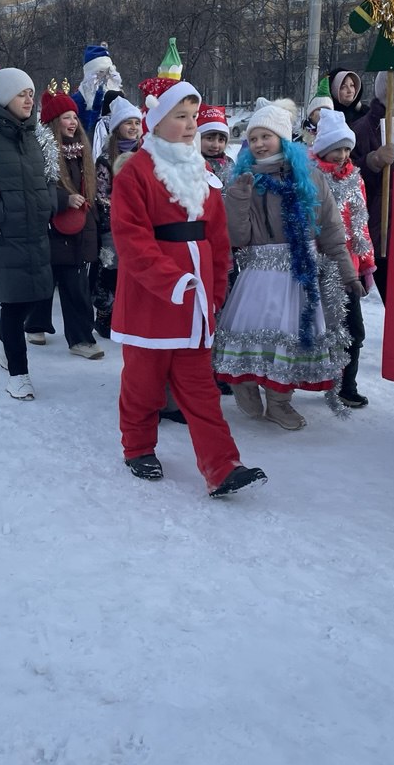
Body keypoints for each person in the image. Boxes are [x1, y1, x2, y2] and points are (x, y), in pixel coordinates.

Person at [109, 76, 266, 497]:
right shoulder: (136, 173)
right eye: (181, 116)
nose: (192, 124)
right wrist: (172, 281)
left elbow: (217, 238)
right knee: (143, 384)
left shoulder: (203, 173)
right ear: (157, 121)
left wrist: (214, 293)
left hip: (195, 306)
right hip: (150, 301)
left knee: (200, 389)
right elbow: (131, 239)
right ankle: (138, 447)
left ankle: (222, 465)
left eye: (194, 115)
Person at [213, 100, 357, 430]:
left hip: (301, 274)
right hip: (260, 274)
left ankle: (279, 401)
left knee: (293, 338)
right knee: (254, 333)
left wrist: (346, 272)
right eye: (253, 138)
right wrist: (238, 198)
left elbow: (331, 229)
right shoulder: (245, 180)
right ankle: (245, 382)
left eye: (266, 136)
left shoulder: (311, 177)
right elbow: (237, 237)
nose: (259, 144)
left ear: (282, 138)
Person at [0, 68, 68, 401]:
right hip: (3, 234)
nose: (29, 100)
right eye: (22, 94)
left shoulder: (36, 135)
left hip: (36, 231)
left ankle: (1, 335)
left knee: (36, 296)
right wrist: (0, 211)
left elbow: (50, 176)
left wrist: (48, 204)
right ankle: (19, 376)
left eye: (31, 93)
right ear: (5, 97)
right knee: (14, 301)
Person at [25, 87, 104, 359]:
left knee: (75, 285)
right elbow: (35, 188)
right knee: (46, 281)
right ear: (53, 123)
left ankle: (81, 338)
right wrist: (63, 199)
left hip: (78, 228)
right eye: (66, 117)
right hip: (51, 228)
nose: (72, 122)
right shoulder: (40, 152)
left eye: (74, 117)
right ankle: (35, 324)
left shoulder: (82, 151)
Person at [310, 109, 375, 408]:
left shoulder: (355, 179)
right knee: (320, 329)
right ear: (323, 148)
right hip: (321, 266)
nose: (343, 155)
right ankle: (309, 379)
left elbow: (361, 225)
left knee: (354, 330)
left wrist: (366, 264)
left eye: (347, 149)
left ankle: (347, 386)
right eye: (336, 148)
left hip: (350, 266)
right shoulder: (312, 178)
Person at [351, 70, 394, 303]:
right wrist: (373, 160)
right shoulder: (361, 129)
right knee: (393, 295)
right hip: (375, 225)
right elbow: (348, 175)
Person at [92, 95, 143, 338]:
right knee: (110, 268)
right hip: (111, 226)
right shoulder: (105, 159)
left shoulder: (145, 155)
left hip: (140, 224)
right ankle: (104, 314)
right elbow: (101, 196)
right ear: (117, 128)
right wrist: (124, 211)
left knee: (134, 270)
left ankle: (130, 313)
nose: (133, 127)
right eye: (128, 123)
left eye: (137, 122)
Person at [197, 104, 234, 183]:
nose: (215, 145)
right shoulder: (193, 164)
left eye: (221, 140)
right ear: (197, 139)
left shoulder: (229, 162)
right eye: (209, 138)